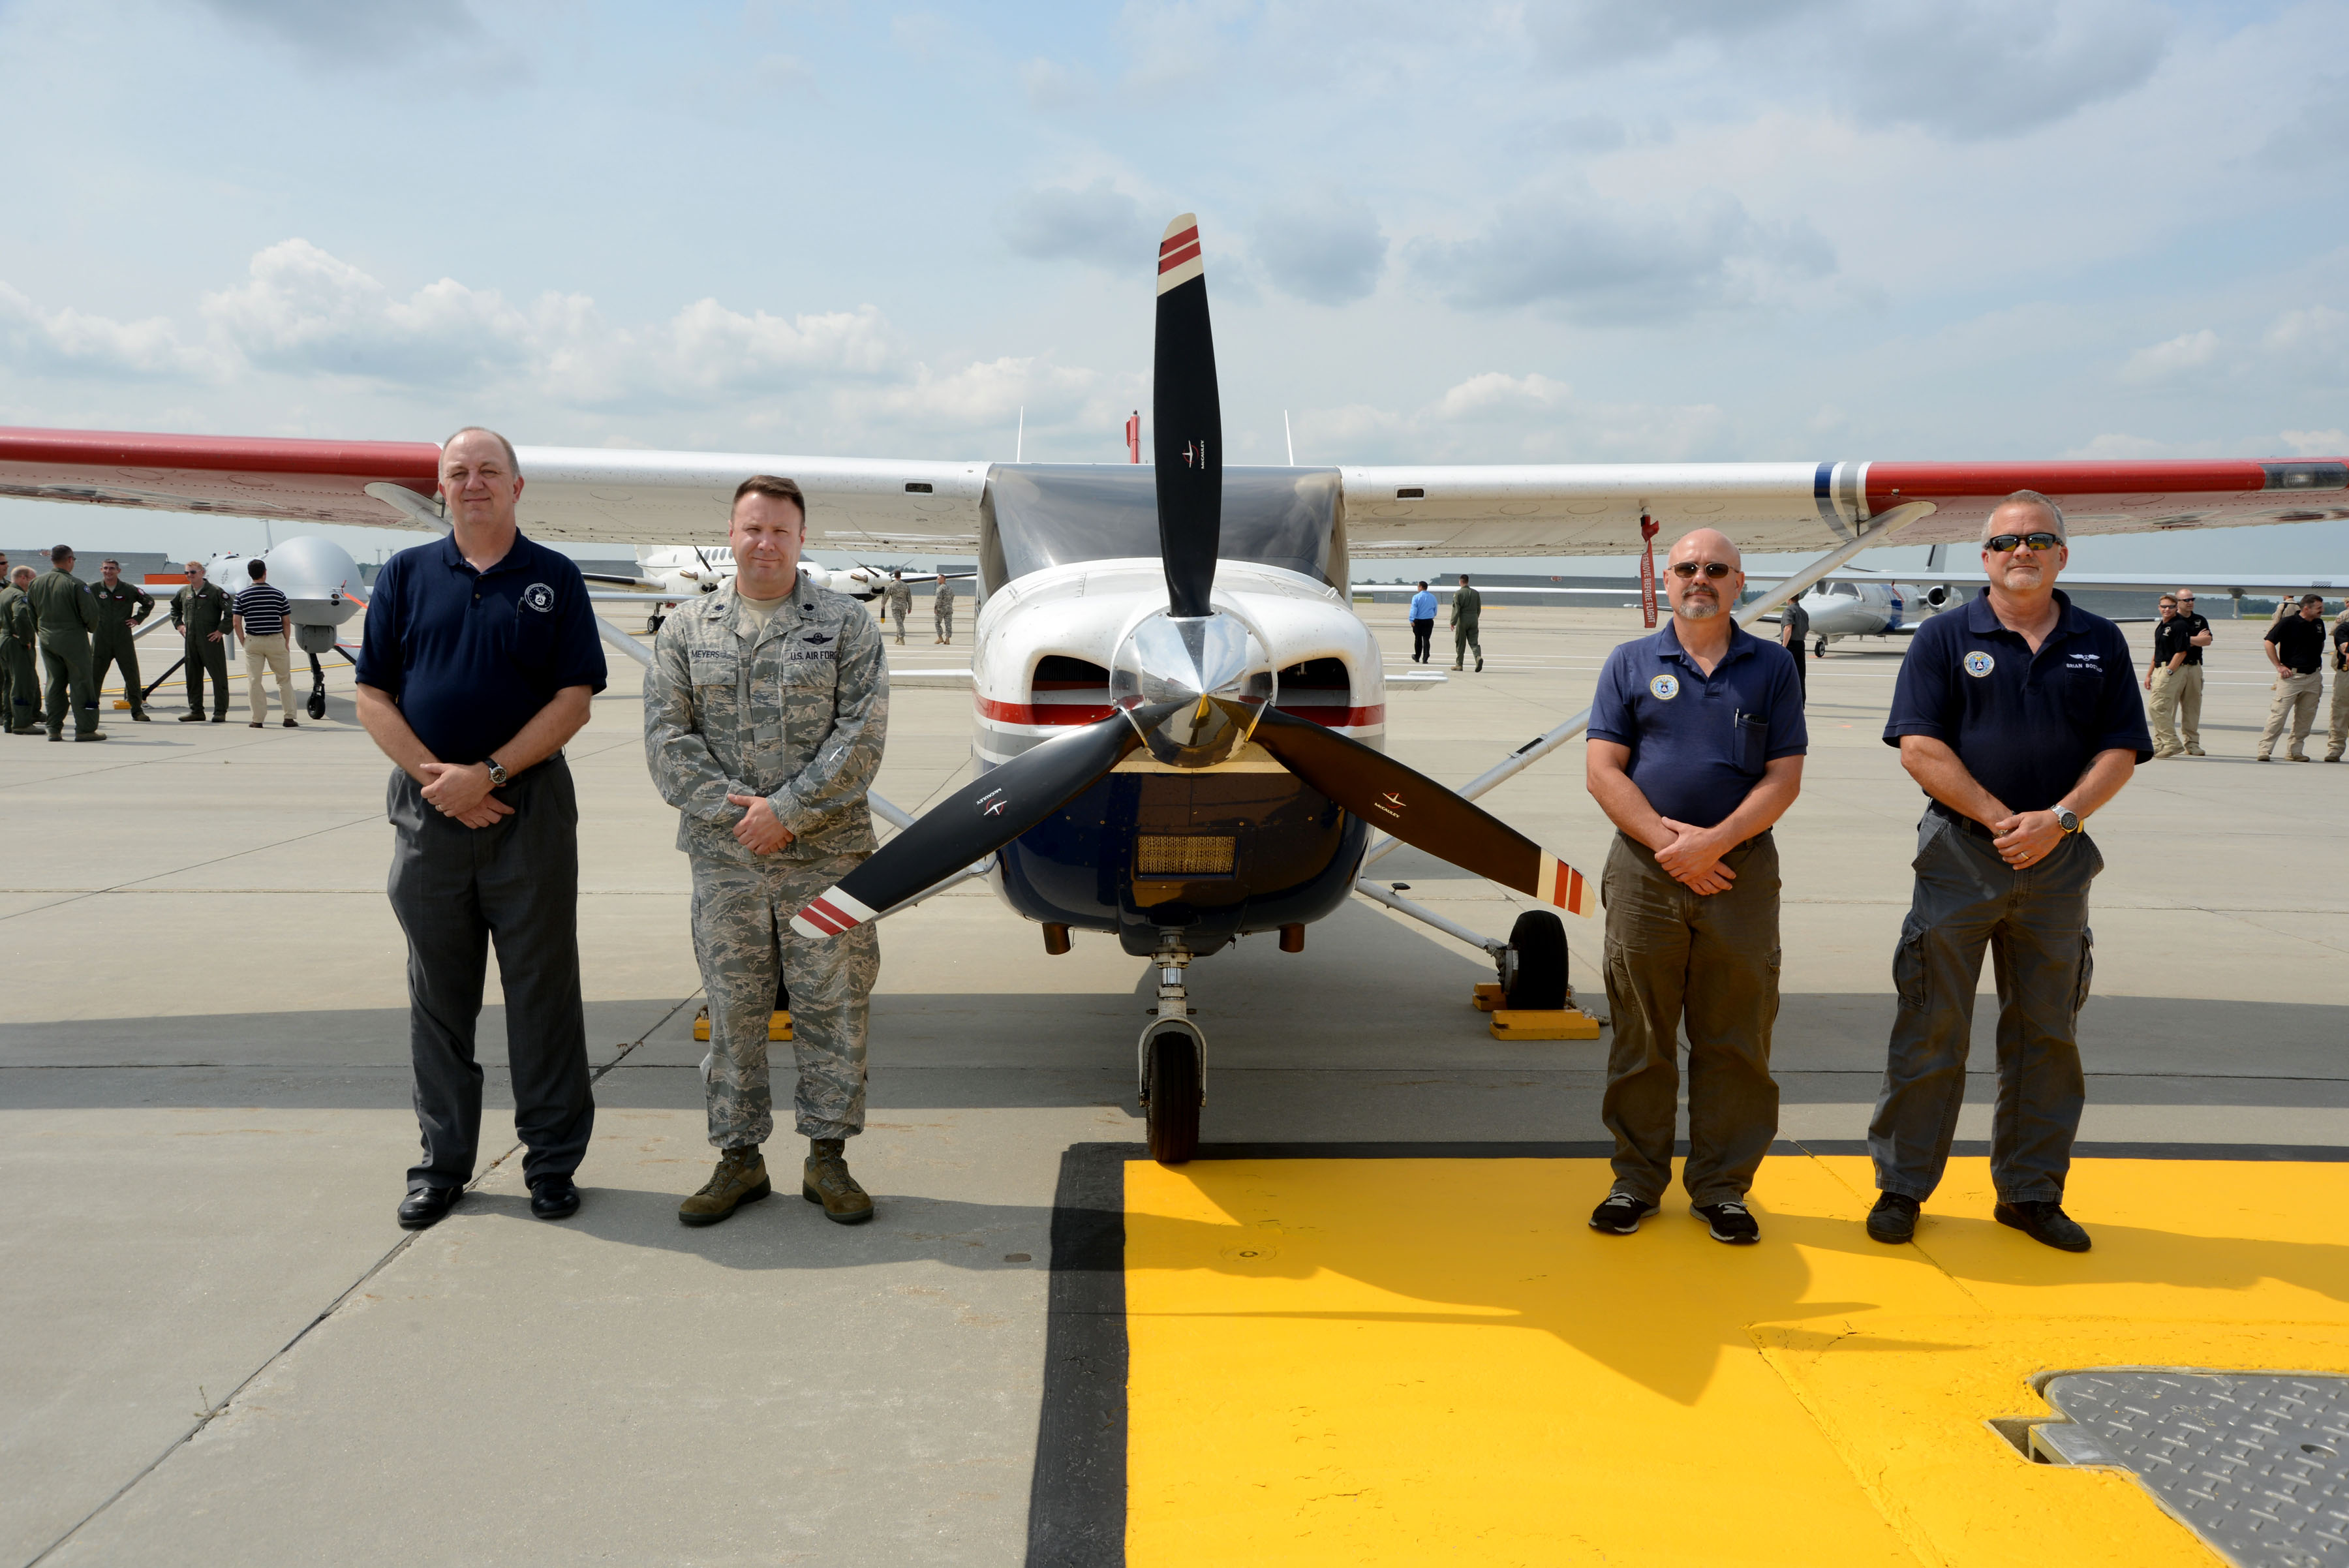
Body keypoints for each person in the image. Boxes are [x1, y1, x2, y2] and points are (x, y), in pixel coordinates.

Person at [1867, 492, 2148, 1254]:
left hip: (2058, 864)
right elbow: (1918, 747)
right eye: (2004, 542)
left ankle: (2030, 1194)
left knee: (2046, 1034)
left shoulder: (2100, 641)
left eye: (2038, 539)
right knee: (1932, 1026)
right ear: (1983, 557)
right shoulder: (1943, 636)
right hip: (1961, 857)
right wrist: (2001, 820)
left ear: (2063, 554)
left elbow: (2120, 750)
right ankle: (1902, 1188)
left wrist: (2059, 821)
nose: (2021, 551)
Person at [354, 427, 608, 1231]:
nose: (473, 485)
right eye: (458, 474)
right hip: (429, 816)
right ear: (442, 489)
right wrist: (444, 784)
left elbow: (574, 698)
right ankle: (441, 1166)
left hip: (528, 812)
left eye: (488, 472)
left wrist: (490, 775)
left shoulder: (555, 578)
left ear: (517, 487)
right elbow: (372, 696)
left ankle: (552, 1164)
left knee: (543, 994)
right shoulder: (404, 575)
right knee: (439, 997)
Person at [645, 474, 887, 1229]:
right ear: (732, 534)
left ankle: (829, 1160)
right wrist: (742, 817)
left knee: (834, 1008)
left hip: (828, 855)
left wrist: (787, 812)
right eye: (752, 529)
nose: (765, 542)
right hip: (728, 862)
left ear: (801, 538)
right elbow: (665, 740)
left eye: (780, 530)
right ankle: (737, 1160)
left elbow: (862, 737)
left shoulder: (848, 626)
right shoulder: (687, 629)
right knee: (734, 1011)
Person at [1584, 528, 1806, 1246]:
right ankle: (1635, 1182)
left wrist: (1713, 844)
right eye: (1686, 568)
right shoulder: (1629, 662)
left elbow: (1784, 777)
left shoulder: (1771, 666)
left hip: (1740, 872)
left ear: (1740, 582)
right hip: (1646, 874)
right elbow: (1603, 769)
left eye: (1715, 568)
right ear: (1667, 582)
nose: (1699, 578)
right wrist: (1669, 845)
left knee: (1736, 1034)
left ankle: (1723, 1189)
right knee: (1642, 1033)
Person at [28, 546, 104, 743]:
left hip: (47, 639)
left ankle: (54, 728)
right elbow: (91, 615)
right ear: (70, 559)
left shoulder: (36, 583)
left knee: (54, 683)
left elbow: (31, 613)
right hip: (73, 640)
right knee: (82, 684)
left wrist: (43, 633)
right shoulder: (77, 585)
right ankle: (86, 729)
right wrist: (89, 629)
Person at [2257, 594, 2327, 762]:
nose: (2322, 611)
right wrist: (2279, 666)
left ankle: (2295, 751)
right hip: (2291, 678)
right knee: (2278, 715)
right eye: (2319, 608)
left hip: (2313, 677)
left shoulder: (2319, 624)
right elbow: (2269, 642)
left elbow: (2321, 642)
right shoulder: (2288, 623)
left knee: (2306, 718)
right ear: (2306, 608)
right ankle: (2264, 750)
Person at [90, 559, 156, 724]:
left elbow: (149, 602)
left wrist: (137, 619)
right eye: (105, 568)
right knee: (94, 676)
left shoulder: (128, 589)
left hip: (123, 639)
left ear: (118, 571)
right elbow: (79, 604)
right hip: (101, 638)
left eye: (112, 569)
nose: (108, 571)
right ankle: (91, 710)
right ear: (101, 570)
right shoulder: (93, 589)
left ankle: (137, 710)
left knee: (131, 675)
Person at [234, 559, 298, 728]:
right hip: (276, 639)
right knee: (284, 679)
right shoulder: (278, 594)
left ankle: (258, 719)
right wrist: (285, 641)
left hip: (253, 641)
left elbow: (236, 622)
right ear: (265, 572)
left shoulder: (241, 595)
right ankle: (289, 717)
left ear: (250, 574)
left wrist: (243, 641)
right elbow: (286, 621)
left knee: (254, 681)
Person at [170, 561, 233, 722]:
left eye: (192, 572)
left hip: (210, 640)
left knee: (218, 677)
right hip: (191, 641)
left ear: (202, 572)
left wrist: (221, 631)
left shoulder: (215, 592)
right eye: (186, 573)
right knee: (192, 677)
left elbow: (231, 612)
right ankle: (196, 710)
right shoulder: (184, 592)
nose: (189, 576)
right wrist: (179, 625)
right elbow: (174, 609)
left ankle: (220, 711)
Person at [2167, 589, 2213, 756]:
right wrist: (2194, 640)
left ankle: (2192, 744)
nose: (2190, 602)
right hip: (2176, 667)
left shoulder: (2200, 620)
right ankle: (2168, 742)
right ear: (2177, 602)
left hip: (2194, 668)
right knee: (2169, 709)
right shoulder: (2171, 620)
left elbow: (2207, 640)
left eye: (2192, 599)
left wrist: (2184, 640)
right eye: (2186, 600)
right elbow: (2170, 643)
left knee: (2192, 708)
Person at [1, 565, 38, 735]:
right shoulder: (19, 596)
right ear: (23, 578)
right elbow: (22, 617)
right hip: (16, 643)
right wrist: (25, 639)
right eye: (32, 580)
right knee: (22, 683)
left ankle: (9, 720)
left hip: (4, 640)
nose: (33, 583)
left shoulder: (4, 593)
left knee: (9, 682)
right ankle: (22, 723)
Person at [1779, 591, 1811, 706]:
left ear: (1789, 598)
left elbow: (1788, 629)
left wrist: (1784, 648)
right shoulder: (1804, 612)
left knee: (1785, 675)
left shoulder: (1789, 611)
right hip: (1800, 645)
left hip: (1790, 645)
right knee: (1800, 675)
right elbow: (1806, 631)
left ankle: (1786, 702)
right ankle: (1801, 703)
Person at [2329, 605, 2349, 763]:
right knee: (2341, 711)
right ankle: (2335, 749)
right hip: (2346, 675)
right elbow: (2344, 647)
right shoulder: (2344, 629)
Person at [1451, 573, 1482, 672]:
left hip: (1463, 619)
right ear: (1468, 582)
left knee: (1460, 642)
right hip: (1474, 619)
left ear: (1460, 582)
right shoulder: (1476, 593)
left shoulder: (1458, 594)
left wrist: (1453, 622)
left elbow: (1456, 609)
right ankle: (1478, 657)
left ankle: (1459, 664)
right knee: (1474, 642)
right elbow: (1479, 608)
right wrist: (1475, 618)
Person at [1405, 581, 1436, 664]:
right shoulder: (1433, 597)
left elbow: (1414, 609)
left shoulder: (1416, 597)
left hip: (1418, 621)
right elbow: (1435, 609)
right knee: (1426, 639)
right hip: (1429, 620)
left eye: (1418, 587)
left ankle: (1417, 656)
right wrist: (1433, 616)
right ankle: (1425, 657)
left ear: (1421, 587)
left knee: (1418, 639)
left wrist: (1411, 619)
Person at [883, 570, 912, 645]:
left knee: (899, 623)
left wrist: (883, 605)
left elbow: (886, 596)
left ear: (895, 576)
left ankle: (902, 639)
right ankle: (897, 638)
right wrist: (910, 607)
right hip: (903, 607)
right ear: (900, 576)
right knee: (900, 623)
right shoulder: (905, 585)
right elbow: (909, 597)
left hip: (895, 607)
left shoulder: (892, 585)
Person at [932, 574, 956, 643]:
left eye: (938, 579)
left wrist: (936, 608)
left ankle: (940, 638)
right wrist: (949, 605)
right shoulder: (950, 588)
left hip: (941, 609)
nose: (937, 580)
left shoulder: (940, 588)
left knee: (937, 622)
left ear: (943, 579)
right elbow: (953, 597)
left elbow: (938, 599)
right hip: (949, 608)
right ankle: (948, 640)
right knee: (948, 624)